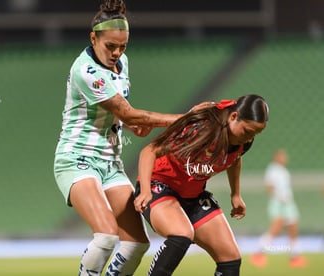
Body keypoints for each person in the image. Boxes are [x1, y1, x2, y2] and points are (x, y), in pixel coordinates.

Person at [53, 0, 206, 274]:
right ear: (93, 38)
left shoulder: (121, 62)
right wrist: (189, 117)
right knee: (107, 236)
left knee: (136, 243)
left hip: (110, 163)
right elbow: (132, 114)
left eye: (122, 46)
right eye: (110, 46)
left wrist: (131, 125)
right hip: (77, 159)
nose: (116, 52)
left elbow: (123, 115)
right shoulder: (86, 71)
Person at [134, 94, 269, 276]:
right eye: (247, 131)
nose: (249, 138)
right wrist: (144, 191)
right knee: (181, 236)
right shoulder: (201, 129)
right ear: (233, 117)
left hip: (193, 195)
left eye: (255, 133)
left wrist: (235, 194)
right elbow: (149, 151)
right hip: (159, 186)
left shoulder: (243, 141)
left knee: (230, 259)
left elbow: (235, 159)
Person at [250, 149, 308, 268]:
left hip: (288, 203)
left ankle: (295, 257)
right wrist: (279, 196)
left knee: (293, 228)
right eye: (282, 156)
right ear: (276, 157)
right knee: (275, 229)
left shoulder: (284, 171)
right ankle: (258, 253)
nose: (285, 158)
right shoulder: (272, 169)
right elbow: (269, 186)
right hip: (278, 203)